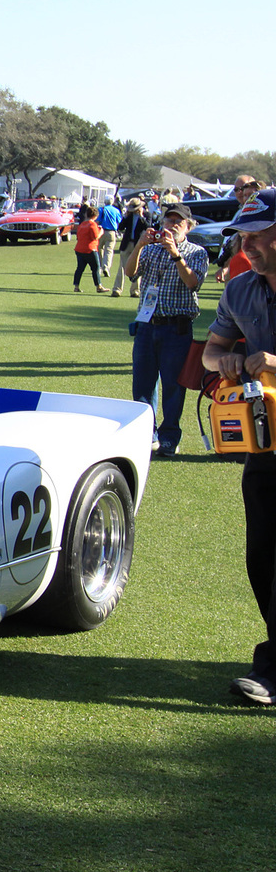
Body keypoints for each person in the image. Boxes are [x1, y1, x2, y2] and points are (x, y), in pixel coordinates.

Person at [202, 190, 276, 703]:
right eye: (243, 236)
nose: (246, 244)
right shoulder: (240, 288)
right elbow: (209, 352)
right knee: (262, 558)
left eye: (257, 235)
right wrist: (223, 362)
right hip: (265, 441)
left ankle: (272, 668)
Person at [124, 197, 208, 457]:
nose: (171, 226)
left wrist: (175, 254)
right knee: (143, 384)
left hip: (177, 327)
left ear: (189, 227)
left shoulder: (196, 252)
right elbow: (130, 273)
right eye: (168, 220)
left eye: (178, 222)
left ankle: (170, 436)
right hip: (148, 325)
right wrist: (139, 245)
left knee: (173, 385)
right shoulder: (149, 249)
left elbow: (193, 283)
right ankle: (147, 434)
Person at [111, 198, 149, 297]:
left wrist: (141, 217)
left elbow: (149, 228)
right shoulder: (129, 216)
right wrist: (125, 216)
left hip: (138, 245)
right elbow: (121, 227)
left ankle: (135, 291)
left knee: (137, 267)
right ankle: (117, 289)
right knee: (122, 267)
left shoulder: (146, 216)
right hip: (127, 244)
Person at [72, 204, 105, 292]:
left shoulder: (82, 224)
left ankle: (76, 286)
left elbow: (78, 236)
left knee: (80, 268)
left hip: (79, 249)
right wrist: (101, 231)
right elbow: (95, 236)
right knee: (95, 268)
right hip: (90, 249)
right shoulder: (92, 224)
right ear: (95, 216)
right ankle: (99, 286)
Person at [97, 197, 122, 275]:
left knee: (99, 249)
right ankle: (106, 267)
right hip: (112, 232)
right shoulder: (116, 210)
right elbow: (119, 221)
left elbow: (98, 220)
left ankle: (100, 267)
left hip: (101, 231)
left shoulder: (101, 209)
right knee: (109, 251)